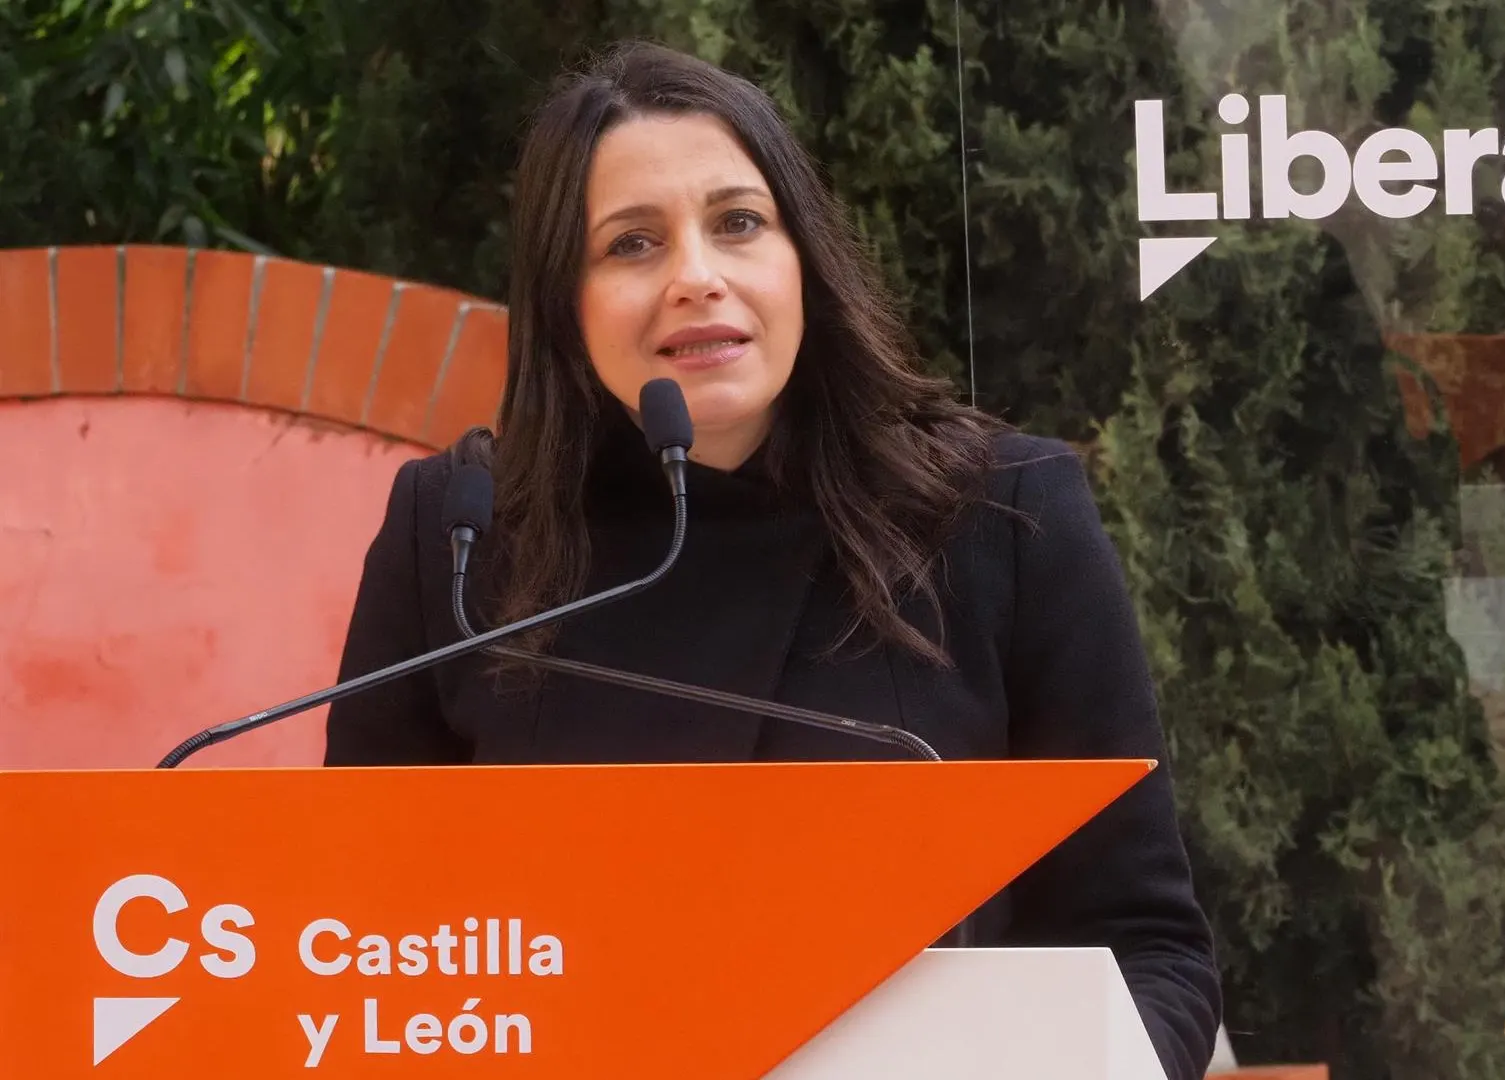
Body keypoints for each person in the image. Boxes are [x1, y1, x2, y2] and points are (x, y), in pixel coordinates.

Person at [323, 38, 1223, 1079]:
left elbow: (1148, 952)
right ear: (564, 302)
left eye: (739, 224)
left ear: (806, 260)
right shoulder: (463, 535)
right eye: (631, 245)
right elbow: (370, 955)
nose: (697, 278)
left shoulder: (1001, 515)